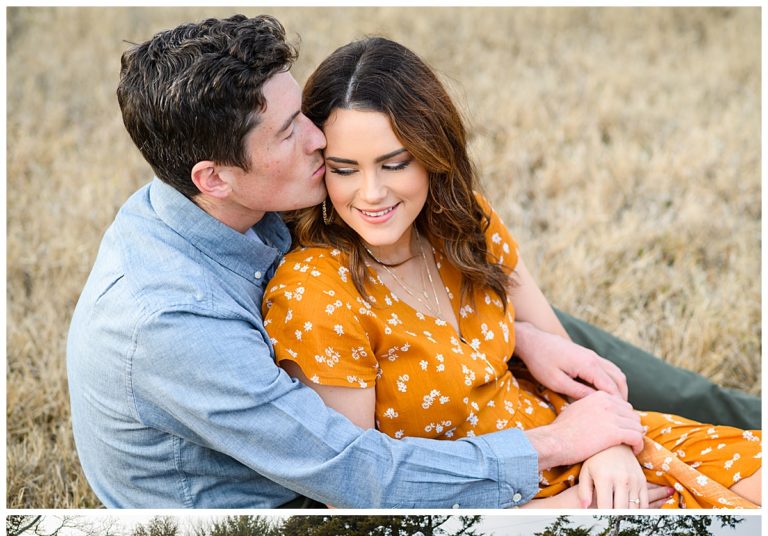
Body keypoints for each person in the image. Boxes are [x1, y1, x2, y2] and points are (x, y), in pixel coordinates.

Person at [67, 16, 758, 510]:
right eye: (293, 133)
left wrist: (521, 336)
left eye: (303, 112)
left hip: (410, 351)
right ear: (213, 177)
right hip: (285, 496)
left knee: (547, 332)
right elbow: (351, 472)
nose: (317, 135)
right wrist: (558, 447)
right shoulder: (169, 324)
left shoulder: (244, 184)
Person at [265, 36, 762, 509]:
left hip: (589, 443)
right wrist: (561, 508)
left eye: (395, 164)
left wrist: (606, 445)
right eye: (344, 168)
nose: (371, 194)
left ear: (435, 154)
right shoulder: (315, 294)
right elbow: (358, 491)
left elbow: (574, 369)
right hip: (505, 504)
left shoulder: (462, 223)